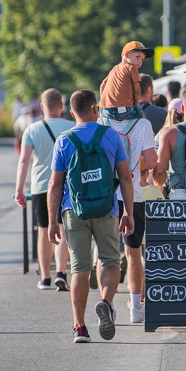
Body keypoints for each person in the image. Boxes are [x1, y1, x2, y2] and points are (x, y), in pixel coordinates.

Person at [48, 90, 135, 343]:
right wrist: (129, 212)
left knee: (80, 269)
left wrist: (52, 220)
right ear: (96, 109)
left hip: (74, 211)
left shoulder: (63, 140)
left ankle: (80, 328)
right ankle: (105, 302)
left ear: (71, 112)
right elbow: (125, 177)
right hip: (107, 209)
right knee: (109, 261)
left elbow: (55, 184)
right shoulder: (111, 136)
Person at [15, 88, 75, 291]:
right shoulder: (72, 127)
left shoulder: (32, 130)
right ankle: (62, 272)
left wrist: (19, 189)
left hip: (41, 186)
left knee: (43, 230)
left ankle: (45, 277)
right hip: (66, 185)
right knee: (63, 229)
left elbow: (24, 160)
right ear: (61, 106)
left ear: (42, 107)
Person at [111, 95, 157, 324]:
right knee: (133, 252)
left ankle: (107, 303)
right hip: (134, 194)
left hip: (108, 196)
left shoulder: (102, 121)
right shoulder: (143, 124)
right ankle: (136, 307)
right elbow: (151, 162)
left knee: (106, 253)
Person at [99, 41, 155, 121]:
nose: (140, 61)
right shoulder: (132, 68)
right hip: (124, 111)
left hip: (107, 111)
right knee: (141, 114)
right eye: (137, 57)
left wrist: (105, 103)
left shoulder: (114, 69)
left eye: (142, 59)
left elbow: (102, 86)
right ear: (126, 54)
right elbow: (137, 90)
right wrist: (136, 105)